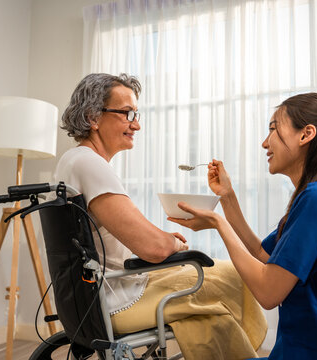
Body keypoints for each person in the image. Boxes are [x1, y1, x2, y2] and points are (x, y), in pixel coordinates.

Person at [55, 73, 267, 359]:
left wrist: (163, 239)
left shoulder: (74, 162)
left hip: (105, 292)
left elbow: (123, 235)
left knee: (212, 318)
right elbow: (154, 248)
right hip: (121, 298)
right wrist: (172, 244)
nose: (136, 124)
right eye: (127, 113)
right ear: (93, 117)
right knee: (233, 275)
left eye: (136, 114)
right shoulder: (89, 163)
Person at [170, 93, 317, 359]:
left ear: (306, 134)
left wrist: (219, 223)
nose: (265, 143)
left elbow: (268, 291)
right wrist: (227, 199)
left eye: (273, 129)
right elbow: (264, 256)